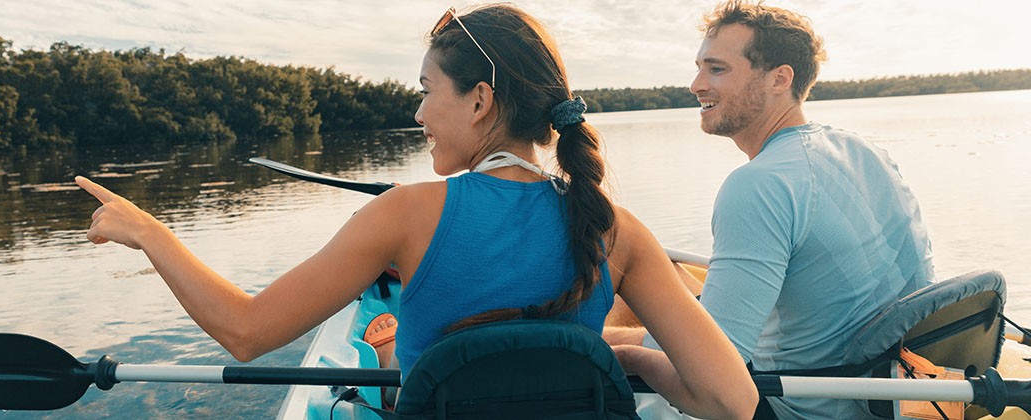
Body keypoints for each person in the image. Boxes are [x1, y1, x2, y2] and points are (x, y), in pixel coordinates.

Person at [75, 4, 755, 418]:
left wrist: (150, 232)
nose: (419, 112)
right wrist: (633, 362)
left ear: (480, 101)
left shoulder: (403, 216)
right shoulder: (614, 227)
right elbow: (733, 401)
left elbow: (247, 333)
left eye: (428, 91)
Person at [603, 1, 934, 418]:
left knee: (615, 313)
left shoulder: (759, 184)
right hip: (881, 379)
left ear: (779, 79)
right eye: (699, 67)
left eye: (716, 69)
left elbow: (713, 380)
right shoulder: (865, 150)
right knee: (661, 268)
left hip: (797, 405)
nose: (695, 84)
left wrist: (617, 350)